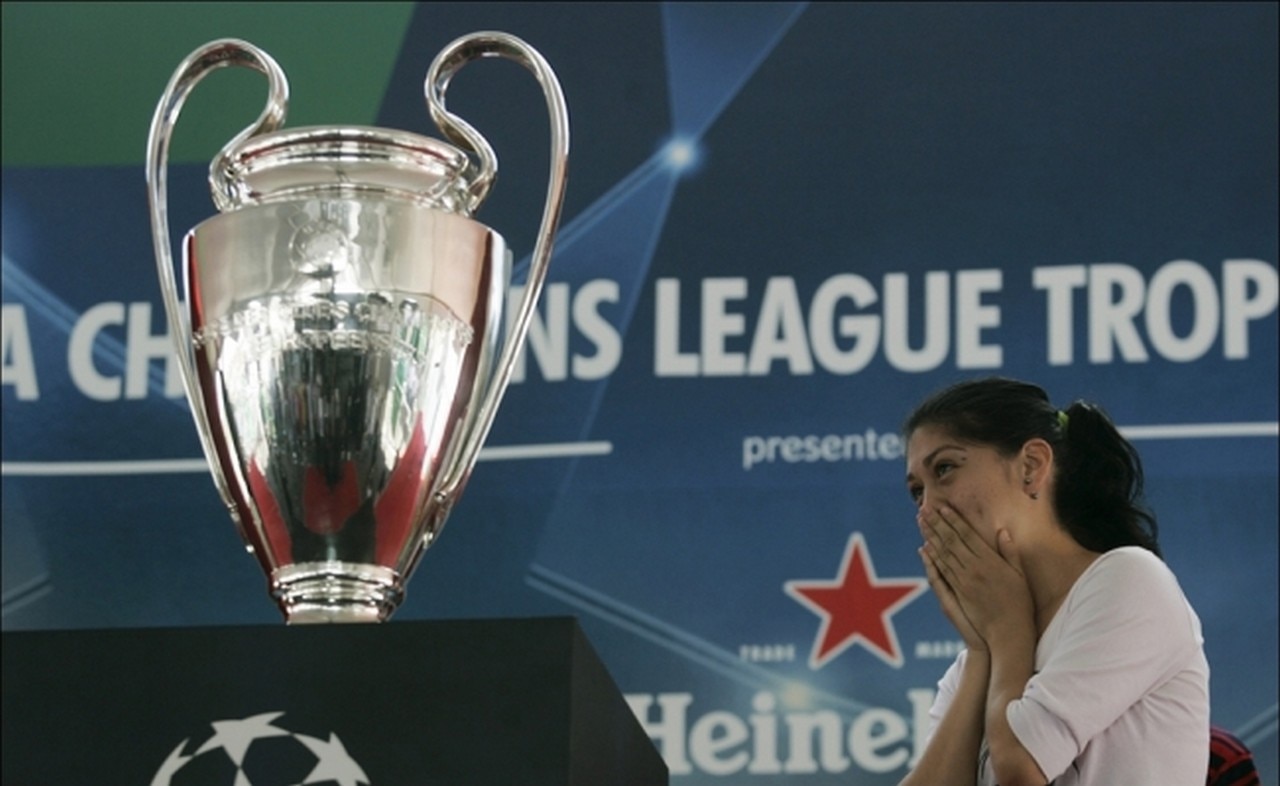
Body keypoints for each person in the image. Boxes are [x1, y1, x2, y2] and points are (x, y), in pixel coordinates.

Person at [899, 377, 1209, 786]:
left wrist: (1007, 631)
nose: (927, 510)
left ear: (1031, 466)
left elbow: (1021, 770)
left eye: (945, 469)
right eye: (916, 492)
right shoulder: (977, 656)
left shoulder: (1130, 578)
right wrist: (981, 651)